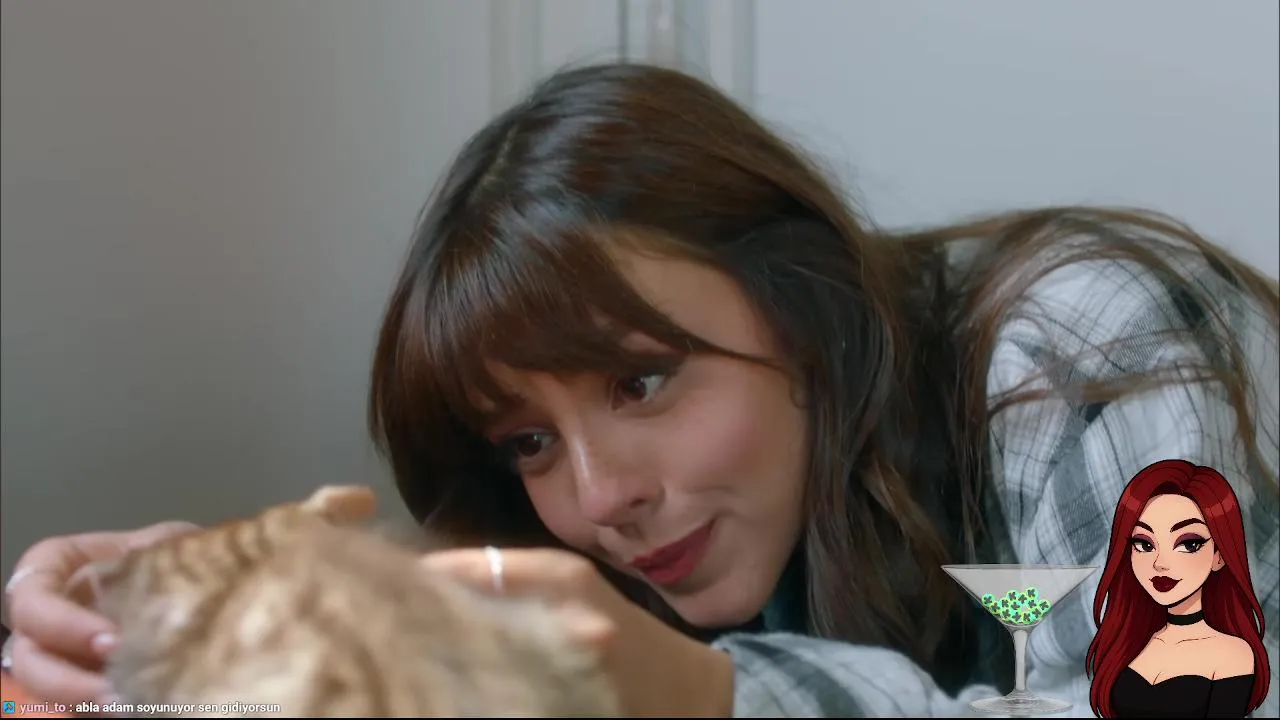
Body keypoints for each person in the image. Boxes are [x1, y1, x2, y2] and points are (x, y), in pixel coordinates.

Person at [4, 61, 1278, 717]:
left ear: (800, 296)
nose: (599, 498)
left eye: (640, 379)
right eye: (526, 443)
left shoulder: (1080, 335)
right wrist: (193, 626)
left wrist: (708, 699)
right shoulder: (652, 544)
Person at [1088, 459, 1270, 718]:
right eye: (1144, 544)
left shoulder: (1232, 654)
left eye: (1188, 544)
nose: (1160, 563)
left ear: (1219, 555)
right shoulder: (1129, 641)